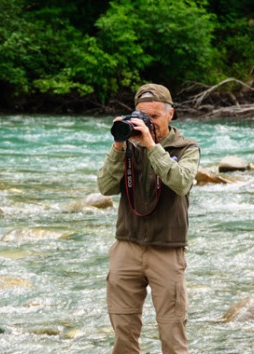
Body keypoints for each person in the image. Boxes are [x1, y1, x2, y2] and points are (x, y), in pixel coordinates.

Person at [97, 83, 200, 354]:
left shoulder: (187, 147)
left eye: (154, 117)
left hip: (166, 249)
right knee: (123, 331)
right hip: (127, 246)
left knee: (172, 332)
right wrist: (118, 147)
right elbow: (105, 188)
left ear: (171, 114)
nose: (147, 122)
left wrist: (152, 146)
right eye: (142, 116)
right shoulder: (128, 146)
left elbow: (180, 183)